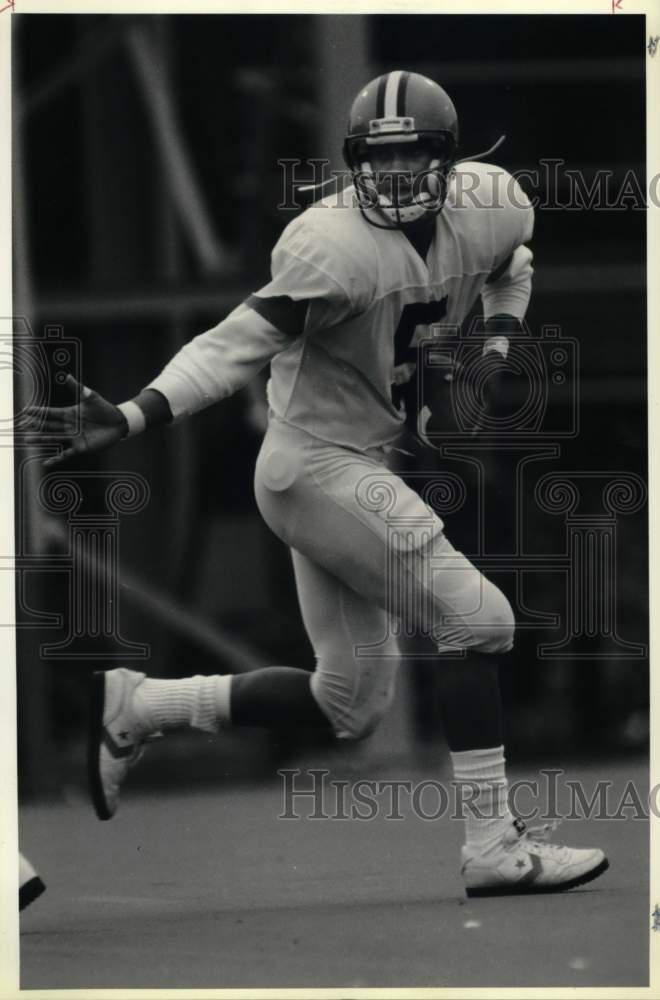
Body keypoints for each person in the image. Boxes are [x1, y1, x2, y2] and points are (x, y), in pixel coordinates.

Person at [32, 71, 607, 897]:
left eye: (414, 158)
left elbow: (510, 267)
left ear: (450, 160)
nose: (396, 176)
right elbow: (232, 346)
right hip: (314, 466)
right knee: (480, 621)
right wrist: (130, 416)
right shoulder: (329, 245)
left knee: (351, 703)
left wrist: (498, 345)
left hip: (358, 463)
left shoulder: (492, 203)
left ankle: (139, 706)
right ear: (352, 162)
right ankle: (492, 846)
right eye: (379, 159)